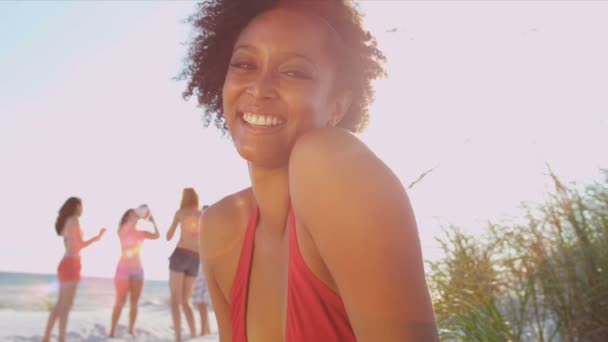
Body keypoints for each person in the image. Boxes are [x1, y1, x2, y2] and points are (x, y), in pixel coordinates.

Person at [179, 0, 439, 341]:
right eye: (244, 64)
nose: (258, 88)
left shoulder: (330, 164)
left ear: (337, 105)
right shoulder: (221, 225)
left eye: (294, 72)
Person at [42, 197, 106, 342]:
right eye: (81, 206)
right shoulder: (74, 221)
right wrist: (96, 238)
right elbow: (78, 246)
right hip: (72, 263)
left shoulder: (67, 221)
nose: (83, 209)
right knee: (66, 306)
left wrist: (96, 238)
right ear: (77, 206)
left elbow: (73, 244)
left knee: (60, 304)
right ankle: (61, 339)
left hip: (65, 262)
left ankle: (46, 337)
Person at [109, 207, 160, 338]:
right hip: (123, 270)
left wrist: (153, 221)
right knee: (120, 301)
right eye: (132, 214)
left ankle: (131, 329)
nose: (136, 216)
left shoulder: (141, 233)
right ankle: (112, 331)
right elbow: (126, 226)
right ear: (126, 217)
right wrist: (137, 215)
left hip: (138, 270)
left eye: (136, 214)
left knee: (134, 302)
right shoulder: (122, 230)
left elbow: (157, 236)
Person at [166, 188, 202, 341]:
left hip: (181, 255)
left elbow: (169, 236)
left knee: (175, 300)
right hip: (196, 259)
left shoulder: (180, 212)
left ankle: (178, 337)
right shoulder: (202, 214)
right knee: (186, 301)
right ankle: (194, 334)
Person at [191, 205, 212, 336]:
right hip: (200, 269)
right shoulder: (200, 232)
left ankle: (204, 331)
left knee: (202, 302)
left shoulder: (211, 231)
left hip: (207, 268)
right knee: (199, 302)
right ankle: (206, 330)